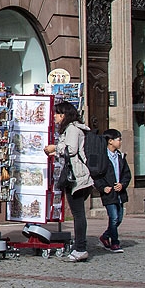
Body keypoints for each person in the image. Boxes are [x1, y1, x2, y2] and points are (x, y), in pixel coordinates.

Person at [44, 101, 93, 262]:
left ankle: (80, 248)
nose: (54, 117)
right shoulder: (73, 128)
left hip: (77, 177)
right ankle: (79, 247)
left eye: (56, 114)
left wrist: (54, 148)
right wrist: (55, 152)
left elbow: (71, 149)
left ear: (63, 114)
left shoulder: (72, 128)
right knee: (78, 213)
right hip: (78, 175)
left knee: (78, 214)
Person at [94, 129, 131, 253]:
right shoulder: (102, 157)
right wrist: (103, 187)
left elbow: (127, 174)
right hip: (109, 193)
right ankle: (115, 243)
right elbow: (96, 176)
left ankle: (105, 236)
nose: (120, 142)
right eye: (118, 139)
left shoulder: (120, 156)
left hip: (119, 193)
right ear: (110, 141)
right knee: (113, 217)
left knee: (119, 218)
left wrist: (123, 184)